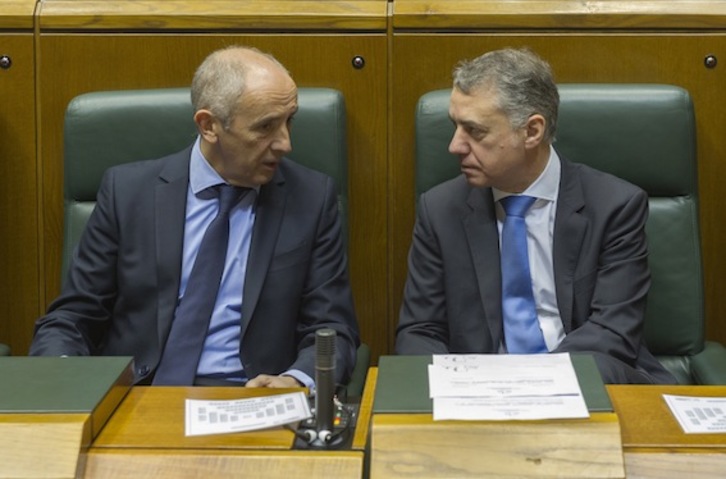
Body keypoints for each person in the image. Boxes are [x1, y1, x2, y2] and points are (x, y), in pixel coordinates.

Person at [30, 45, 360, 389]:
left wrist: (297, 380)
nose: (285, 144)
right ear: (209, 126)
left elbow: (333, 329)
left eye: (289, 121)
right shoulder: (128, 193)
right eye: (266, 127)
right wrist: (63, 380)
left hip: (251, 400)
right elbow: (73, 317)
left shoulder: (310, 198)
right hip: (136, 398)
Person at [395, 47, 676, 384]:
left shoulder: (615, 206)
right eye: (454, 126)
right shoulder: (440, 210)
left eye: (475, 131)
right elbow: (419, 332)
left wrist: (530, 384)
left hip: (587, 383)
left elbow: (612, 332)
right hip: (477, 394)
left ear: (532, 131)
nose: (455, 146)